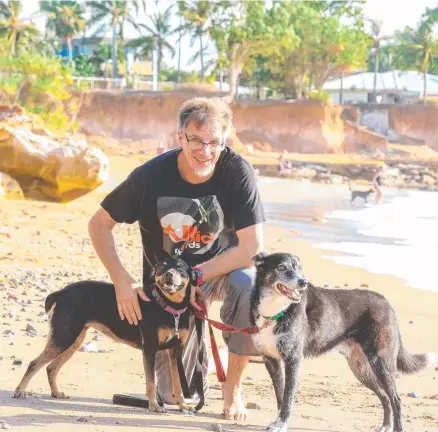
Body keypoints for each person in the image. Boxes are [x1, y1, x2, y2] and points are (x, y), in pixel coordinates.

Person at [88, 96, 265, 421]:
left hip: (219, 273)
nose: (205, 150)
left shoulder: (238, 172)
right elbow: (99, 225)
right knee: (175, 397)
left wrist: (196, 277)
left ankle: (233, 387)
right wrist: (121, 281)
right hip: (168, 286)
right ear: (180, 136)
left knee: (248, 282)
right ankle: (210, 357)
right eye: (196, 140)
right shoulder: (150, 176)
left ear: (224, 140)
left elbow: (251, 247)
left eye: (215, 142)